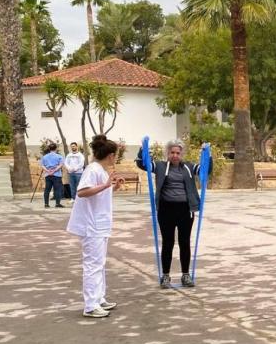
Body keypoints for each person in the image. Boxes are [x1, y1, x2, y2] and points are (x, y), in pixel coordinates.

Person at [136, 140, 211, 288]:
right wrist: (142, 150)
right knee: (168, 242)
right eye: (172, 152)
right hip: (166, 210)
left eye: (178, 153)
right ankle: (165, 276)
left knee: (184, 243)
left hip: (185, 210)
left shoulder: (189, 167)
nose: (175, 155)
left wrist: (208, 155)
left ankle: (185, 275)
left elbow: (205, 170)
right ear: (167, 153)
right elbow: (143, 164)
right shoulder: (160, 166)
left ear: (181, 154)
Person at [66, 135, 123, 318]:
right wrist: (106, 185)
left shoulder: (101, 170)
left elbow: (99, 194)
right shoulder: (92, 169)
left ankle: (99, 298)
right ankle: (90, 305)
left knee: (99, 264)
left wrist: (112, 187)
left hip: (101, 225)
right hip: (92, 226)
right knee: (92, 264)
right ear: (111, 155)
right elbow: (82, 192)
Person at [40, 142, 65, 208]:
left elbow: (42, 165)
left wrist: (48, 171)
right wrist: (54, 171)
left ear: (49, 148)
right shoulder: (59, 156)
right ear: (56, 148)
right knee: (57, 189)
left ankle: (46, 204)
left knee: (47, 189)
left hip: (48, 175)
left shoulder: (45, 157)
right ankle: (57, 204)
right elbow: (60, 165)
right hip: (57, 175)